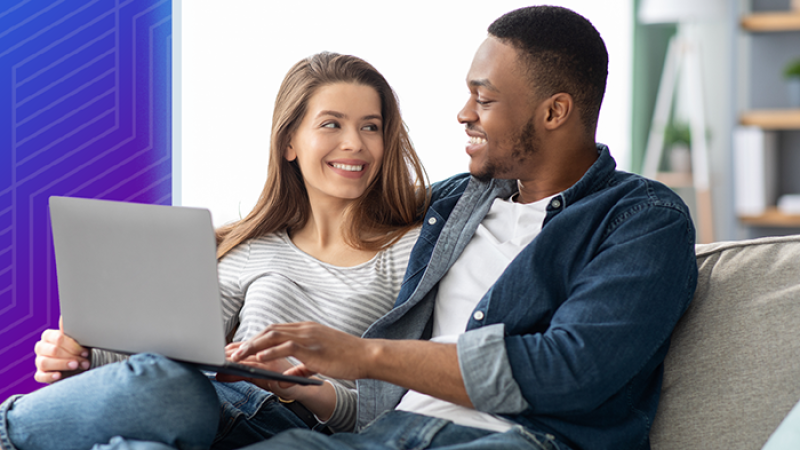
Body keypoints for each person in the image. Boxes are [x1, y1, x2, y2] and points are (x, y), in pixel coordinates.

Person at [221, 6, 698, 450]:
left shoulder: (641, 221)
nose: (464, 113)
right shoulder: (450, 205)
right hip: (388, 434)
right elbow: (341, 209)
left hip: (517, 439)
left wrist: (366, 356)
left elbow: (569, 369)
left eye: (484, 98)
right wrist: (235, 240)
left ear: (554, 112)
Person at [0, 52, 428, 450]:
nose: (354, 142)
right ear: (289, 144)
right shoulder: (250, 245)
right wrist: (84, 356)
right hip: (207, 403)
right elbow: (170, 349)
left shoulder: (413, 251)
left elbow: (384, 405)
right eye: (332, 124)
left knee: (174, 392)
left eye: (370, 126)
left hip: (289, 426)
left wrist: (299, 385)